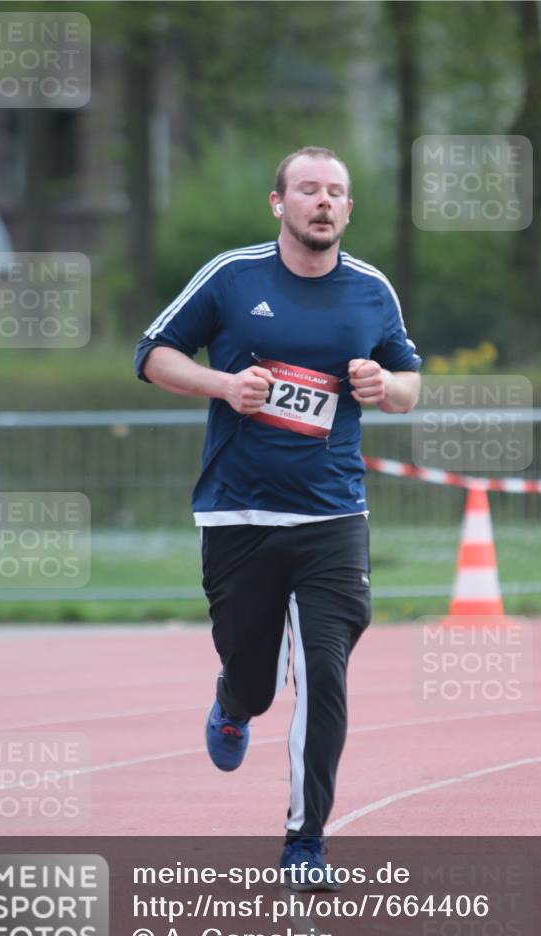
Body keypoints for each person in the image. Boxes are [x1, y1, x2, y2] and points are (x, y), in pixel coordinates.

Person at [134, 146, 421, 889]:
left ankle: (305, 842)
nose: (321, 202)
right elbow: (153, 354)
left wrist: (383, 382)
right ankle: (233, 704)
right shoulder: (232, 277)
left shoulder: (370, 291)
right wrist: (225, 385)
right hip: (239, 514)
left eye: (335, 192)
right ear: (278, 203)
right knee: (256, 680)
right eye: (307, 190)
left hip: (332, 516)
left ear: (347, 210)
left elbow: (410, 386)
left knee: (324, 673)